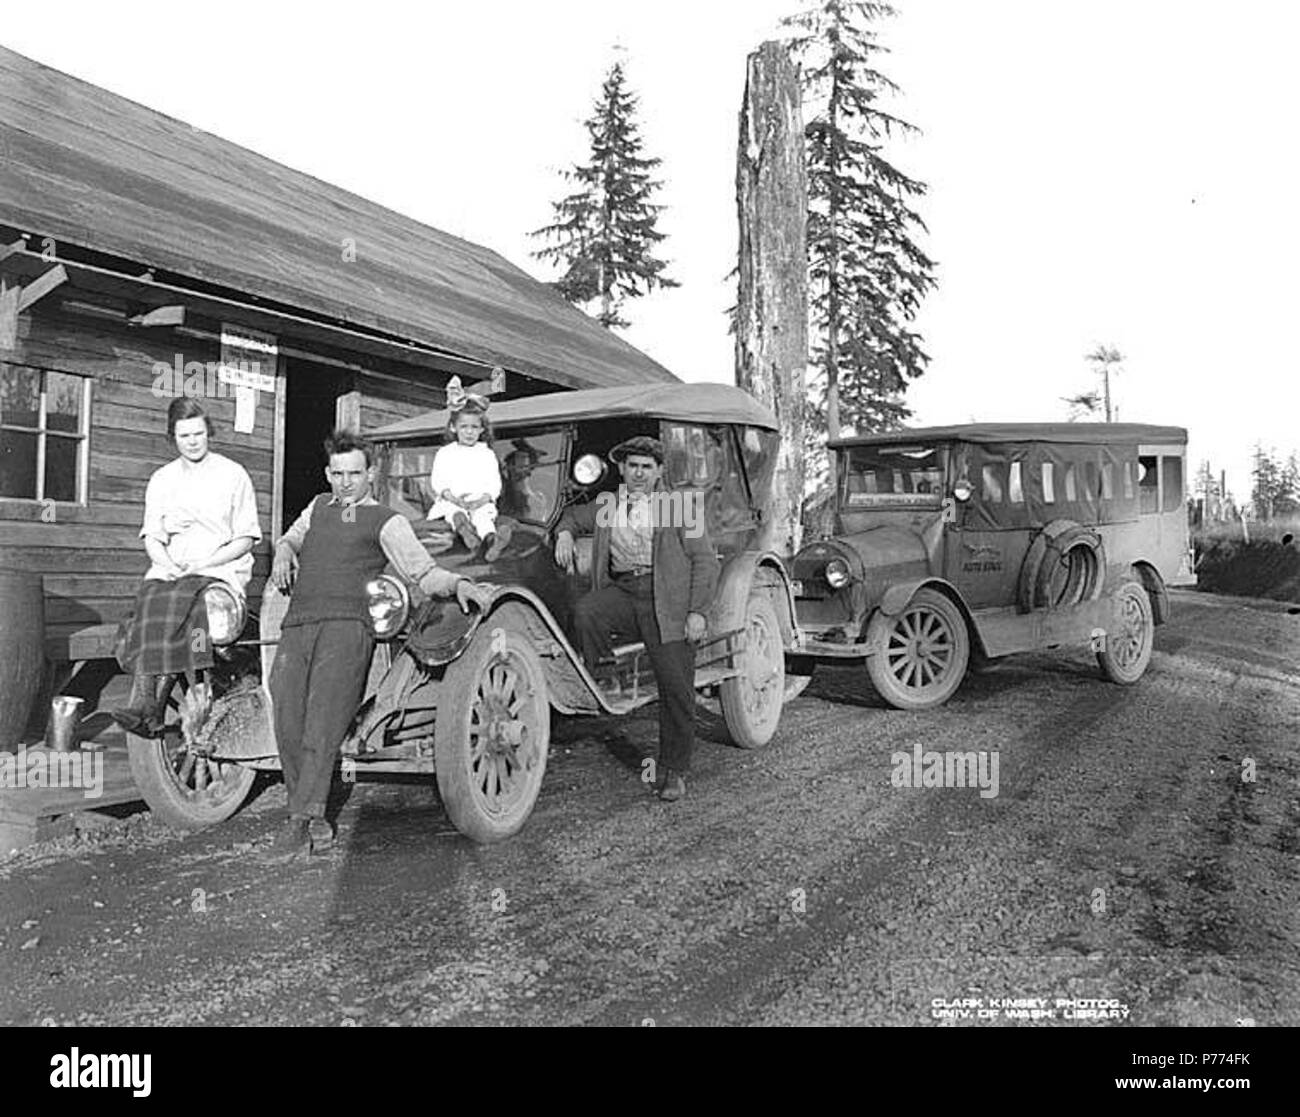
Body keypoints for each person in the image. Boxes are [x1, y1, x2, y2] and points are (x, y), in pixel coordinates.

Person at [264, 429, 491, 860]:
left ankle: (298, 820)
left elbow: (422, 572)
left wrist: (458, 583)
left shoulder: (387, 520)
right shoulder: (316, 508)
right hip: (298, 623)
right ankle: (314, 816)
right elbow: (292, 537)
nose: (345, 482)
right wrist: (283, 551)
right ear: (327, 473)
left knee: (323, 719)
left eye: (354, 473)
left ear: (370, 473)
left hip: (348, 628)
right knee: (287, 713)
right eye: (337, 473)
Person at [554, 436, 719, 802]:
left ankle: (673, 771)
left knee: (676, 689)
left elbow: (706, 561)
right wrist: (564, 534)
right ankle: (607, 674)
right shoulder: (608, 504)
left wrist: (697, 612)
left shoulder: (680, 507)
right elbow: (570, 516)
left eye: (647, 466)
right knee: (586, 612)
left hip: (669, 604)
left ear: (659, 471)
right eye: (632, 466)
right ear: (622, 470)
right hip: (627, 593)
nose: (639, 473)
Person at [112, 397, 261, 735]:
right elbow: (152, 536)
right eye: (184, 436)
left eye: (198, 433)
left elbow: (247, 538)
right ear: (173, 438)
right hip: (174, 566)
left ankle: (154, 704)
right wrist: (167, 562)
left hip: (220, 565)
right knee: (152, 596)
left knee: (190, 603)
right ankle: (145, 702)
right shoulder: (162, 479)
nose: (193, 442)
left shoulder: (232, 474)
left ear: (209, 431)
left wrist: (206, 562)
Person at [426, 377, 504, 559]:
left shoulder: (486, 454)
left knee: (483, 518)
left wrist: (483, 499)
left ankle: (491, 540)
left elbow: (494, 484)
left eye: (474, 427)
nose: (469, 432)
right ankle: (464, 530)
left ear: (482, 430)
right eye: (464, 427)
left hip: (479, 501)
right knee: (453, 512)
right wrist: (452, 497)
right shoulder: (446, 452)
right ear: (453, 428)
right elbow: (438, 481)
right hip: (454, 500)